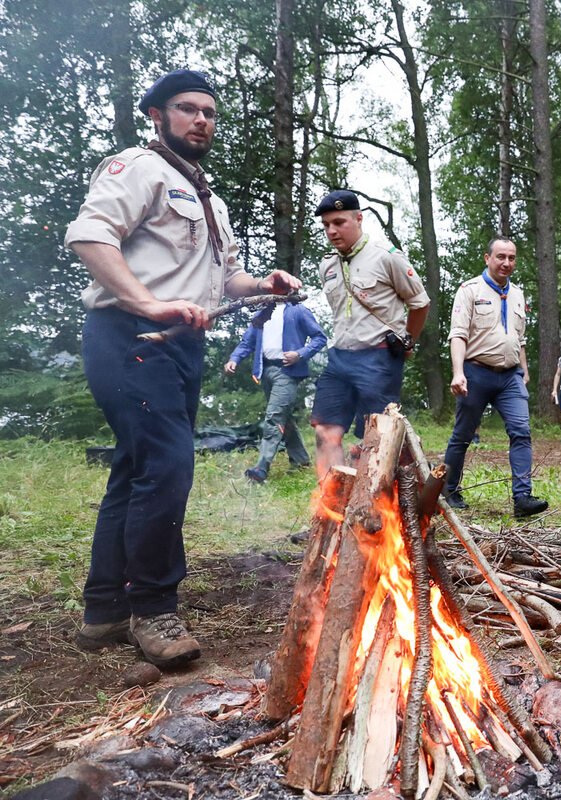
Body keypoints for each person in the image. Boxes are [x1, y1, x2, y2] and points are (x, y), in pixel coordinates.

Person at [65, 69, 302, 666]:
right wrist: (145, 301)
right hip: (131, 336)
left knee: (137, 467)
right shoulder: (137, 169)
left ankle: (104, 612)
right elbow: (90, 236)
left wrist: (263, 284)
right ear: (157, 116)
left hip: (181, 347)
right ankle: (153, 608)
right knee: (168, 466)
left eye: (209, 112)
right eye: (188, 109)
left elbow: (221, 281)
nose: (202, 119)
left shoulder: (209, 198)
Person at [309, 190, 430, 480]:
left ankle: (371, 506)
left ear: (359, 218)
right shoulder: (327, 265)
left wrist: (408, 342)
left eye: (339, 222)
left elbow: (420, 302)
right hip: (339, 358)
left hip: (378, 359)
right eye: (326, 225)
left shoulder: (387, 258)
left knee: (375, 439)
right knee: (325, 431)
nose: (332, 230)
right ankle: (332, 506)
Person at [442, 237, 549, 518]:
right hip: (475, 373)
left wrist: (524, 370)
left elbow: (520, 338)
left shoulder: (518, 294)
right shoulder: (469, 290)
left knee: (521, 431)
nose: (507, 263)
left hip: (510, 377)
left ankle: (522, 498)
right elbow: (458, 335)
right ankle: (449, 489)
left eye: (511, 258)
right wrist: (458, 372)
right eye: (501, 257)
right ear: (488, 258)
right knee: (463, 435)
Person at [224, 301, 327, 482]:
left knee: (274, 416)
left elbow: (320, 338)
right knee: (283, 418)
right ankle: (301, 461)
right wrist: (234, 358)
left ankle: (261, 468)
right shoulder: (261, 313)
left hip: (287, 371)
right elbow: (248, 342)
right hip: (265, 371)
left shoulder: (298, 310)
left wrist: (300, 353)